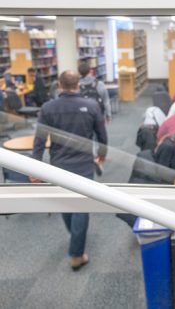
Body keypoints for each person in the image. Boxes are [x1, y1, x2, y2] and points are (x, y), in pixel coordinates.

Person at [31, 70, 108, 271]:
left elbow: (39, 139)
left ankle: (76, 244)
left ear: (59, 85)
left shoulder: (48, 108)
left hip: (59, 165)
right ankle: (76, 254)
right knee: (81, 207)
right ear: (78, 85)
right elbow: (102, 135)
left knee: (66, 204)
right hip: (83, 164)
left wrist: (35, 166)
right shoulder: (91, 106)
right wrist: (102, 154)